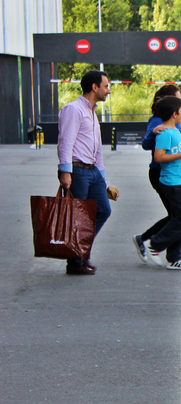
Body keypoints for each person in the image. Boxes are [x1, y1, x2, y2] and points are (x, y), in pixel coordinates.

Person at [56, 69, 119, 275]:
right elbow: (66, 141)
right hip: (77, 171)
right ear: (95, 87)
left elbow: (97, 149)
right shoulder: (73, 110)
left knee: (103, 210)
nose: (108, 90)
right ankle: (75, 262)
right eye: (106, 86)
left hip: (93, 172)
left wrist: (104, 180)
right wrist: (65, 171)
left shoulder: (91, 112)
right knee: (77, 217)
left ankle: (81, 251)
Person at [133, 85, 181, 265]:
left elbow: (180, 148)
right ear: (172, 109)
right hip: (166, 174)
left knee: (179, 216)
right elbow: (152, 149)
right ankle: (160, 247)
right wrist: (153, 133)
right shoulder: (159, 123)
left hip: (178, 173)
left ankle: (160, 247)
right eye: (180, 102)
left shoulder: (175, 126)